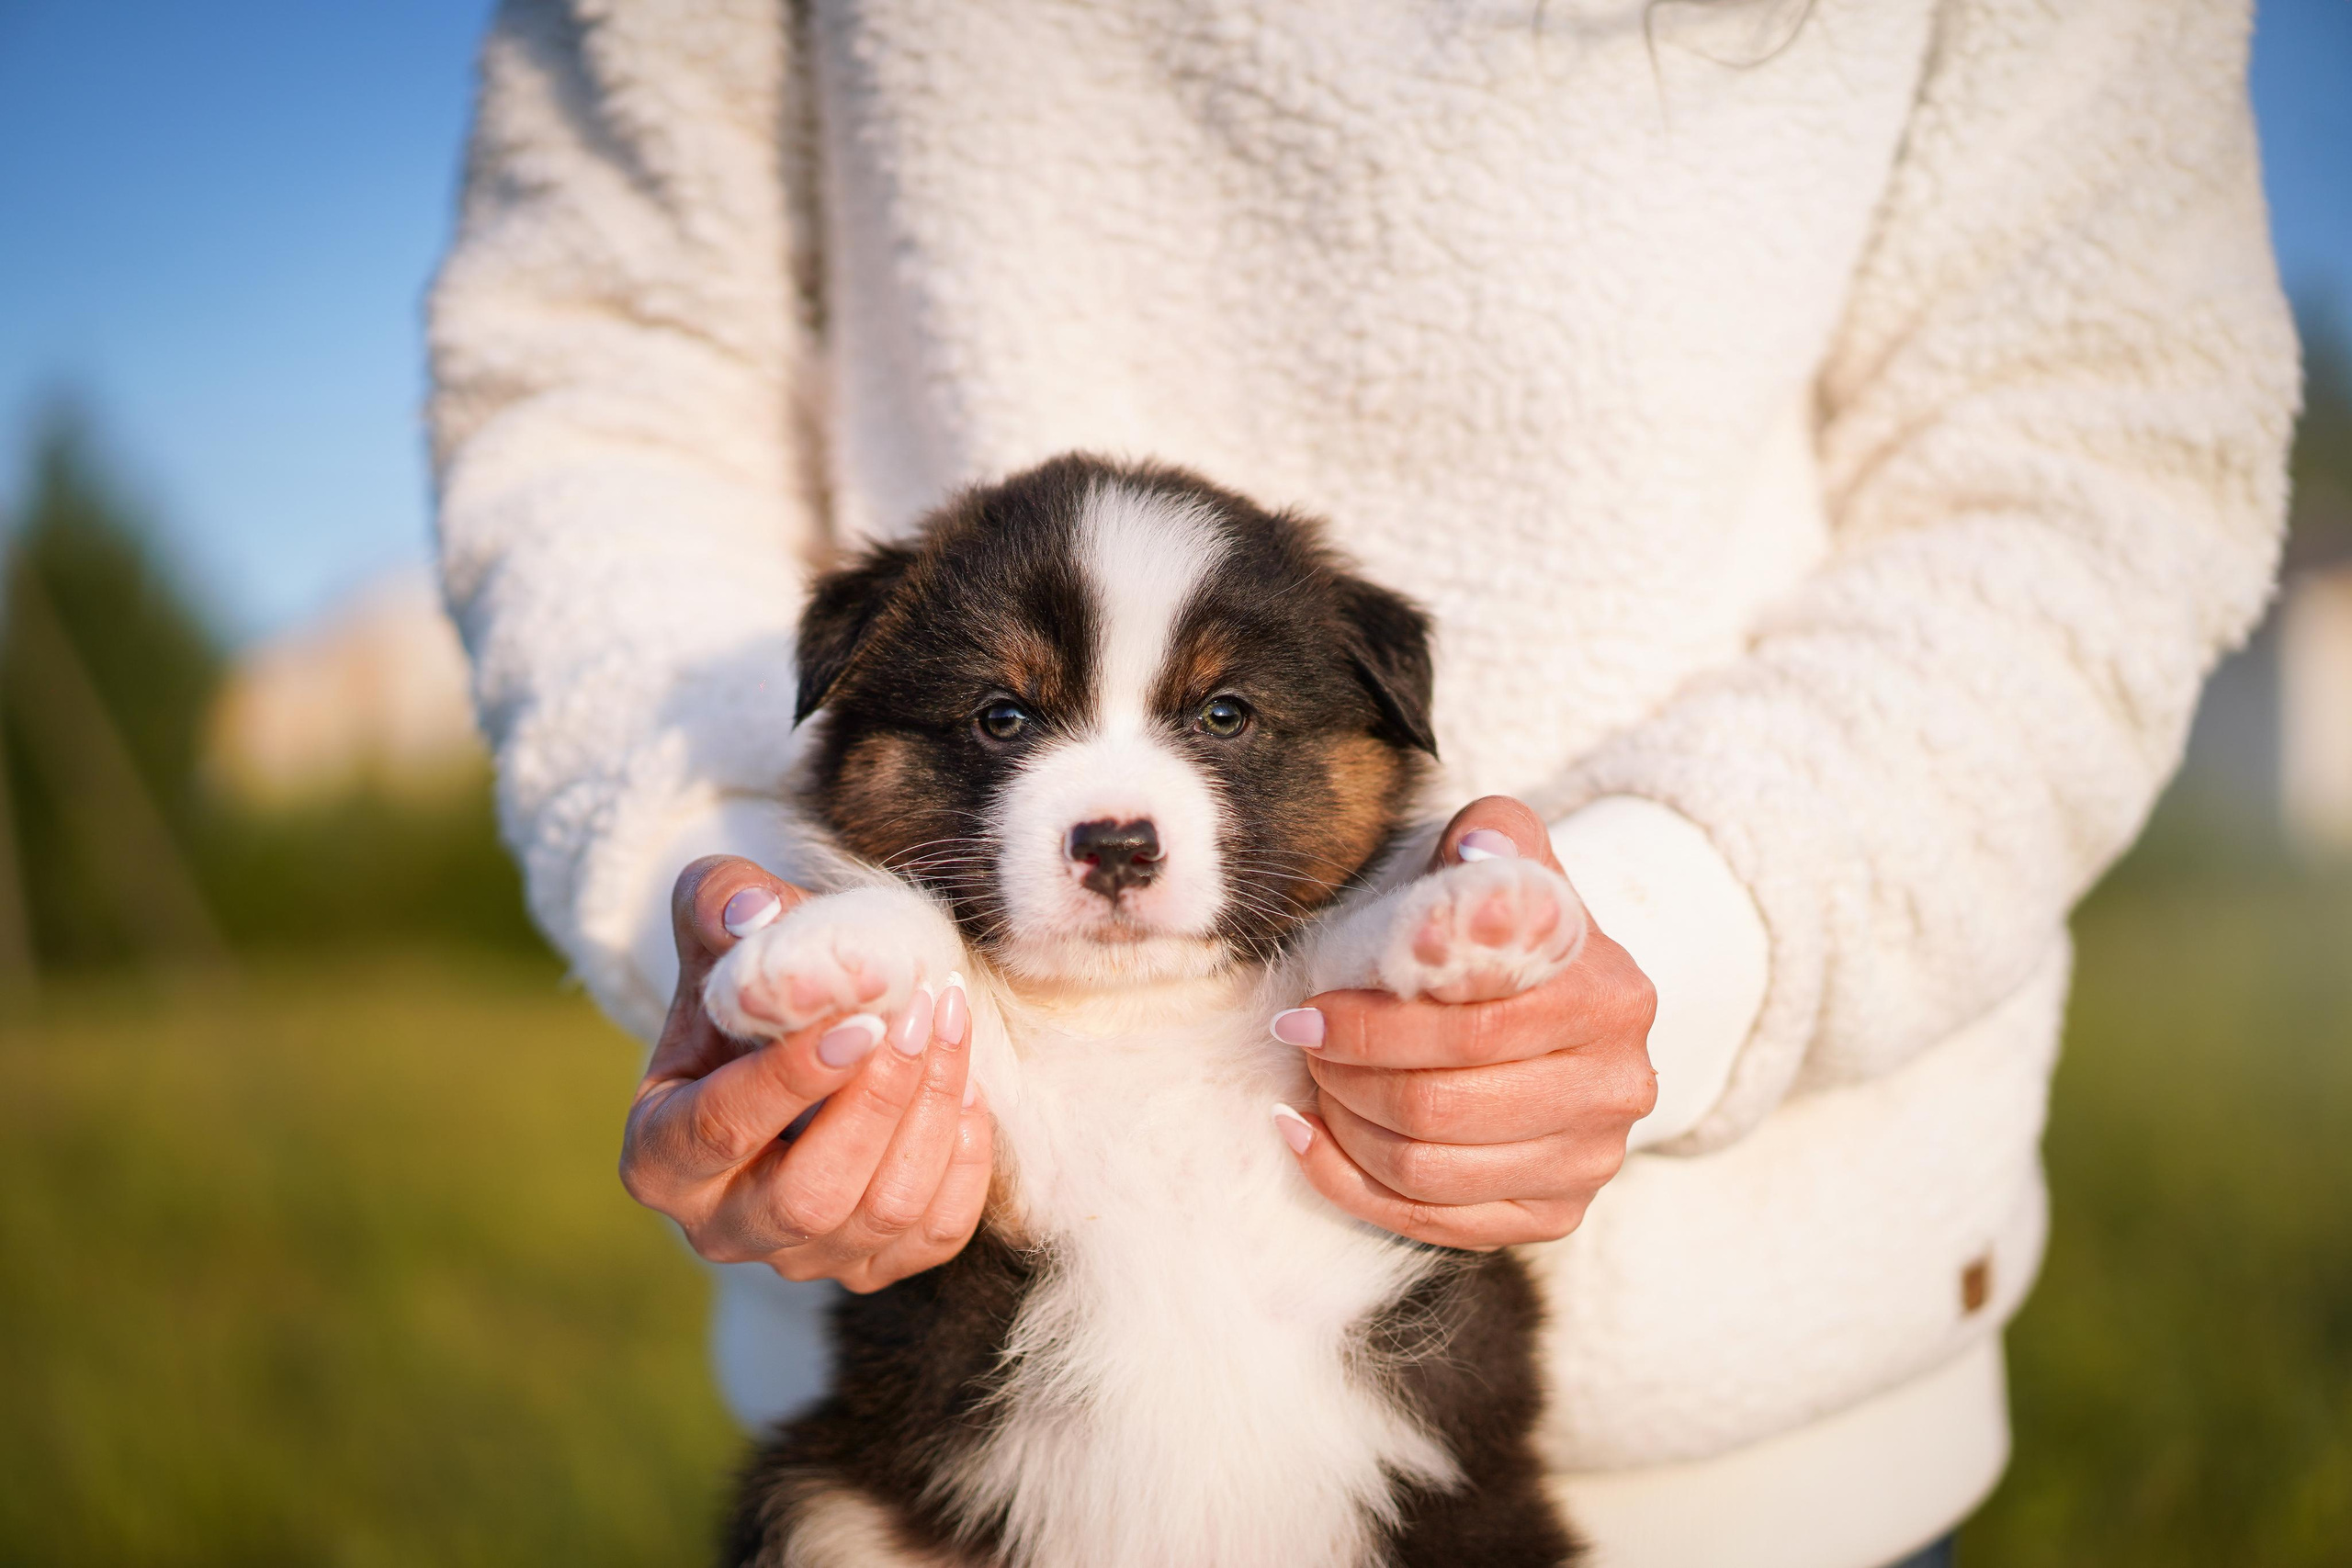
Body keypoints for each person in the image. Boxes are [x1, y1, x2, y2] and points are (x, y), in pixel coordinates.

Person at [424, 2, 2296, 1563]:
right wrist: (726, 877)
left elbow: (2089, 459)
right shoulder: (918, 930)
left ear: (1376, 718)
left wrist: (1671, 921)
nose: (1110, 795)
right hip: (935, 1499)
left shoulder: (1347, 948)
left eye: (1218, 716)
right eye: (1005, 719)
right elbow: (599, 365)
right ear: (861, 705)